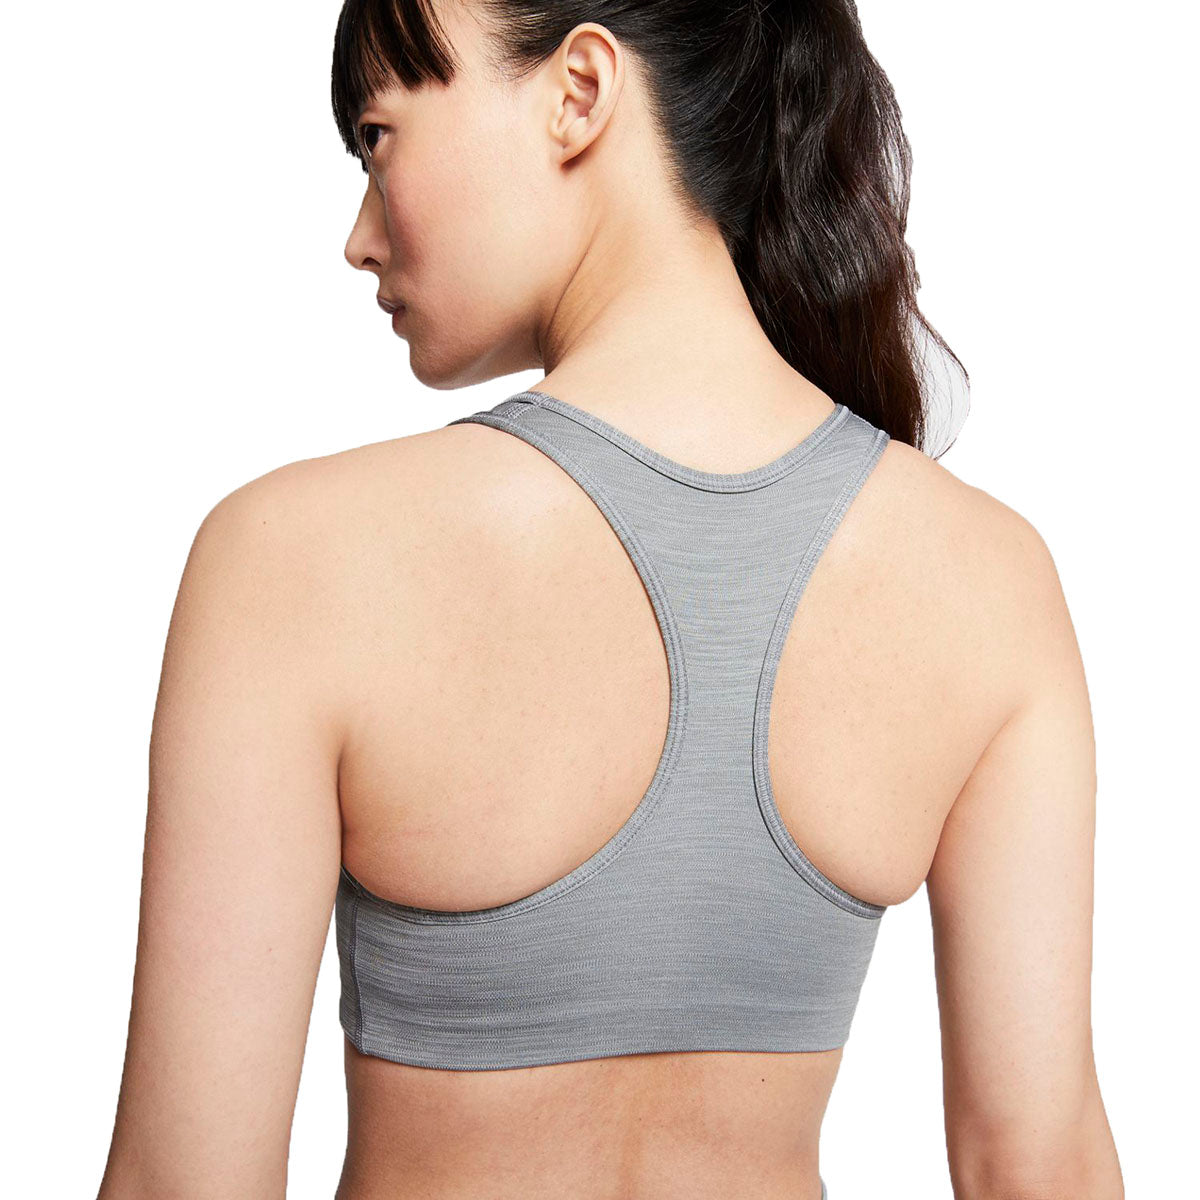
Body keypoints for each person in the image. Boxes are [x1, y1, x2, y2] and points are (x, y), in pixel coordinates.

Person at [97, 2, 1124, 1197]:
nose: (359, 238)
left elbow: (185, 1183)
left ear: (579, 92)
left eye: (377, 138)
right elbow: (1039, 1163)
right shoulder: (990, 581)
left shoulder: (291, 563)